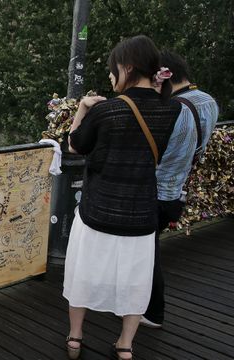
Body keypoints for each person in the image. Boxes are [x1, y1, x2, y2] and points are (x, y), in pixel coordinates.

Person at [62, 35, 182, 360]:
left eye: (113, 70)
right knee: (135, 281)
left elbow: (75, 145)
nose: (111, 77)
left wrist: (83, 108)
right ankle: (125, 345)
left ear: (127, 67)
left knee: (83, 272)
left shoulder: (109, 110)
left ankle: (75, 337)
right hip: (141, 212)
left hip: (98, 209)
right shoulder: (172, 109)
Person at [142, 50, 220, 329]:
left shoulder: (174, 110)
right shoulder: (208, 101)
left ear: (166, 76)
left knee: (147, 254)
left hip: (156, 194)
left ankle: (152, 312)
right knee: (148, 249)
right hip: (177, 194)